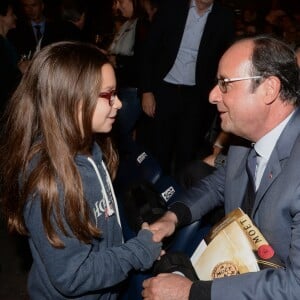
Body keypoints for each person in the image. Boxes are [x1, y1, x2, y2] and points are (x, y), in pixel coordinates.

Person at [0, 41, 162, 300]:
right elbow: (72, 275)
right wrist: (138, 251)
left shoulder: (89, 148)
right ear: (73, 100)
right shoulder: (54, 182)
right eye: (109, 95)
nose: (118, 104)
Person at [142, 35, 300, 299]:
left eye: (225, 84)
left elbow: (295, 286)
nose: (212, 95)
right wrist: (173, 217)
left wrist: (192, 293)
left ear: (269, 90)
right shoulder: (244, 140)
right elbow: (220, 184)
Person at [138, 0, 235, 176]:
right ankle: (157, 192)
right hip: (165, 89)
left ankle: (180, 195)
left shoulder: (224, 17)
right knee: (160, 146)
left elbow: (225, 58)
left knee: (187, 149)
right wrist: (147, 90)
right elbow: (150, 50)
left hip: (197, 95)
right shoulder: (171, 7)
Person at [0, 0, 28, 119]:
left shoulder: (8, 43)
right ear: (1, 17)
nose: (15, 17)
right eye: (11, 14)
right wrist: (20, 70)